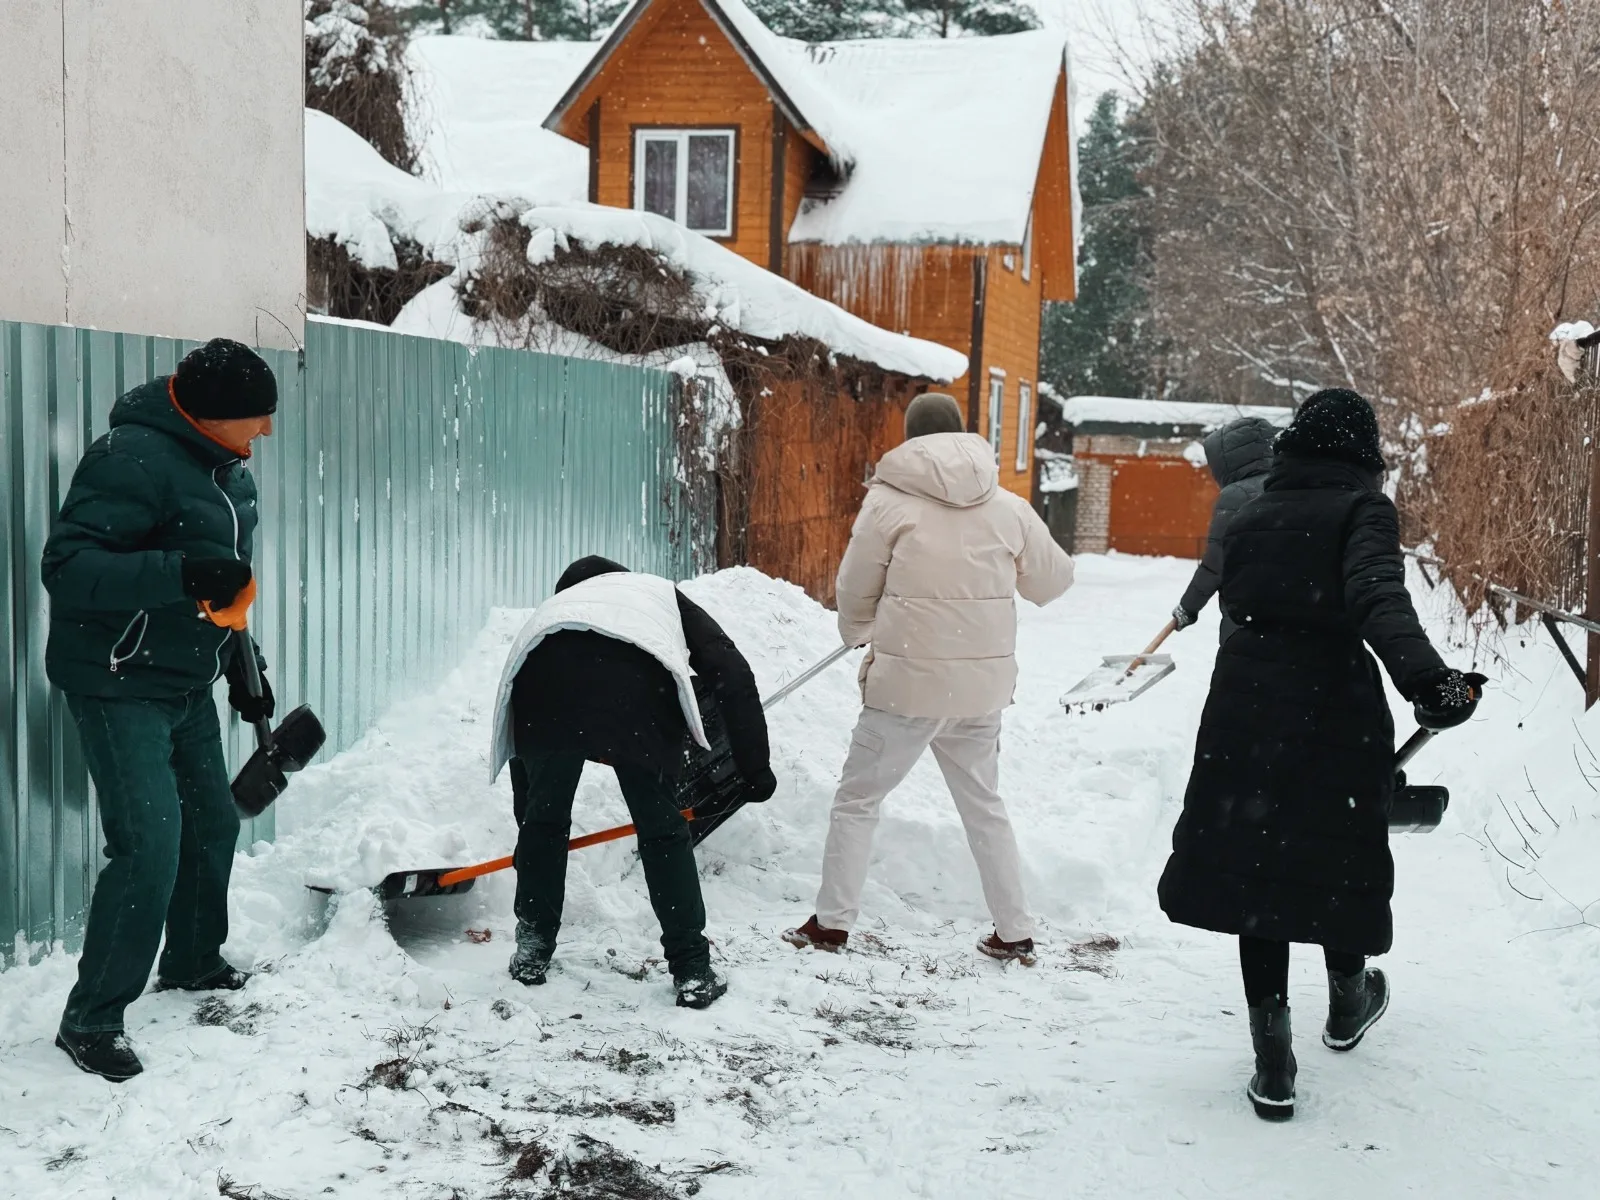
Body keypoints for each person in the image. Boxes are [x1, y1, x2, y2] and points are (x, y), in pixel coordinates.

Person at [1156, 388, 1477, 1121]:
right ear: (1363, 453)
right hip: (1330, 704)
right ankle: (1346, 1003)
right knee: (1333, 857)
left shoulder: (1258, 507)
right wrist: (1429, 682)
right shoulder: (1361, 509)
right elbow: (1376, 596)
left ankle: (1273, 1064)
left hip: (1243, 702)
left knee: (1255, 871)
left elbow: (1243, 596)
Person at [42, 338, 280, 1082]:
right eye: (253, 419)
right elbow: (68, 568)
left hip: (184, 677)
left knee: (212, 824)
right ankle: (91, 1019)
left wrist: (243, 666)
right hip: (119, 682)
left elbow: (226, 582)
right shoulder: (129, 459)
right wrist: (181, 574)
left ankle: (192, 961)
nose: (264, 433)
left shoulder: (226, 468)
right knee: (149, 846)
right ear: (208, 418)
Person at [783, 392, 1075, 963]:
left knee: (858, 800)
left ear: (911, 437)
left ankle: (832, 923)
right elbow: (1052, 581)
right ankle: (1014, 930)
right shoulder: (1007, 507)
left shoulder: (889, 504)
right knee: (983, 804)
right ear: (963, 434)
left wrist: (859, 628)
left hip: (905, 686)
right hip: (978, 694)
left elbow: (853, 585)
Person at [487, 556, 774, 1009]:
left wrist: (534, 826)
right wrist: (755, 768)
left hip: (544, 687)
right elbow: (732, 673)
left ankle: (532, 951)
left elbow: (529, 791)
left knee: (544, 823)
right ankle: (692, 970)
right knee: (661, 832)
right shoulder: (656, 594)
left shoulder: (554, 613)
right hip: (636, 694)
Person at [1170, 416, 1278, 642]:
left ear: (1228, 460)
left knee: (1241, 673)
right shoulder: (1286, 484)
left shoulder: (1236, 495)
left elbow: (1216, 563)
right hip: (1293, 611)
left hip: (1247, 614)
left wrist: (1187, 607)